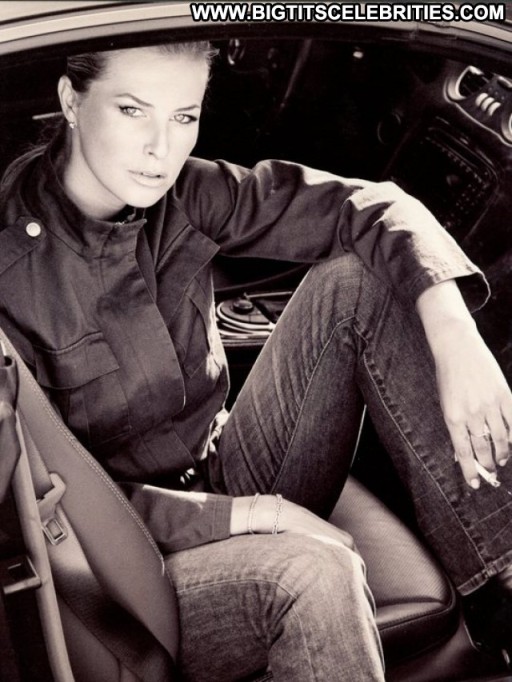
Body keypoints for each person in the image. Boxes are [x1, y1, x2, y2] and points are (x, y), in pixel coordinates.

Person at [1, 40, 512, 681]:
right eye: (132, 110)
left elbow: (372, 206)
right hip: (129, 558)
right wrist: (254, 516)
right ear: (71, 101)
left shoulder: (185, 193)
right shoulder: (12, 275)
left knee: (359, 280)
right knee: (312, 570)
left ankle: (506, 584)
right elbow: (54, 510)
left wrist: (457, 336)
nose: (161, 148)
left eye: (184, 116)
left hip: (220, 466)